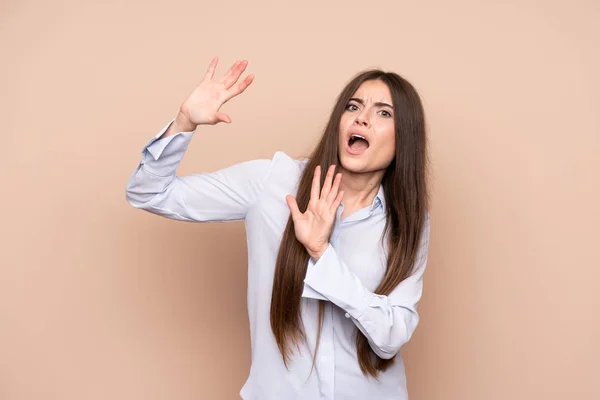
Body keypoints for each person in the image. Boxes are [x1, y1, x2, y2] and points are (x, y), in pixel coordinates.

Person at [126, 57, 430, 400]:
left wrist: (321, 253)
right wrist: (184, 123)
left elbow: (392, 336)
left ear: (404, 137)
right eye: (353, 106)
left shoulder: (407, 219)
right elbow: (149, 193)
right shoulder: (273, 183)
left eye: (383, 113)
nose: (362, 117)